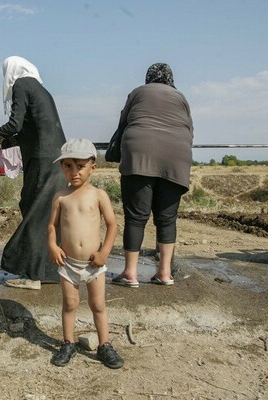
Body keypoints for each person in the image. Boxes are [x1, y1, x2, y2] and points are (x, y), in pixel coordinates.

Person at [0, 56, 67, 290]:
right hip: (55, 156)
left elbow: (14, 124)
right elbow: (23, 131)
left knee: (34, 208)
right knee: (42, 210)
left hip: (42, 157)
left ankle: (31, 274)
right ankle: (50, 270)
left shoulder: (22, 84)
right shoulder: (40, 89)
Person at [111, 63, 194, 288]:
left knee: (136, 217)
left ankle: (130, 273)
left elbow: (123, 122)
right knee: (167, 217)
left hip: (139, 154)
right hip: (176, 156)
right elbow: (190, 130)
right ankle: (164, 273)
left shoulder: (138, 92)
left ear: (148, 78)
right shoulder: (180, 97)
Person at [47, 138, 124, 369]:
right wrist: (53, 245)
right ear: (62, 167)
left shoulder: (99, 195)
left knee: (98, 304)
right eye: (68, 166)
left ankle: (105, 345)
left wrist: (104, 252)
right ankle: (68, 343)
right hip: (68, 263)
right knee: (70, 303)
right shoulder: (60, 196)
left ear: (93, 167)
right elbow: (52, 225)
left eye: (80, 166)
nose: (74, 172)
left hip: (94, 264)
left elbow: (112, 225)